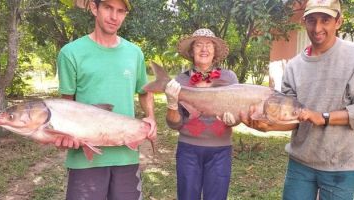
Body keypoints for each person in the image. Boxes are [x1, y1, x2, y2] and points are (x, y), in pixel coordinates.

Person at [241, 0, 354, 199]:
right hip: (301, 164)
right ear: (303, 22)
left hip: (344, 166)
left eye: (325, 20)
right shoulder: (294, 66)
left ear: (338, 21)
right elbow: (293, 118)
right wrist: (269, 126)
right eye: (312, 20)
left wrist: (323, 117)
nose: (317, 28)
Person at [55, 0, 157, 199]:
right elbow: (66, 107)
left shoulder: (134, 53)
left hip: (126, 156)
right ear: (94, 8)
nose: (114, 16)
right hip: (85, 159)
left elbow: (145, 91)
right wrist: (64, 137)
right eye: (108, 8)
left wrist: (151, 116)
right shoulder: (70, 53)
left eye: (120, 11)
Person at [164, 28, 238, 200]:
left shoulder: (229, 78)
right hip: (188, 150)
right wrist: (172, 105)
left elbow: (239, 113)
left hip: (220, 150)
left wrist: (234, 120)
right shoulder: (180, 81)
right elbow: (174, 124)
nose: (204, 49)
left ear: (215, 51)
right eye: (198, 45)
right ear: (191, 51)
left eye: (208, 45)